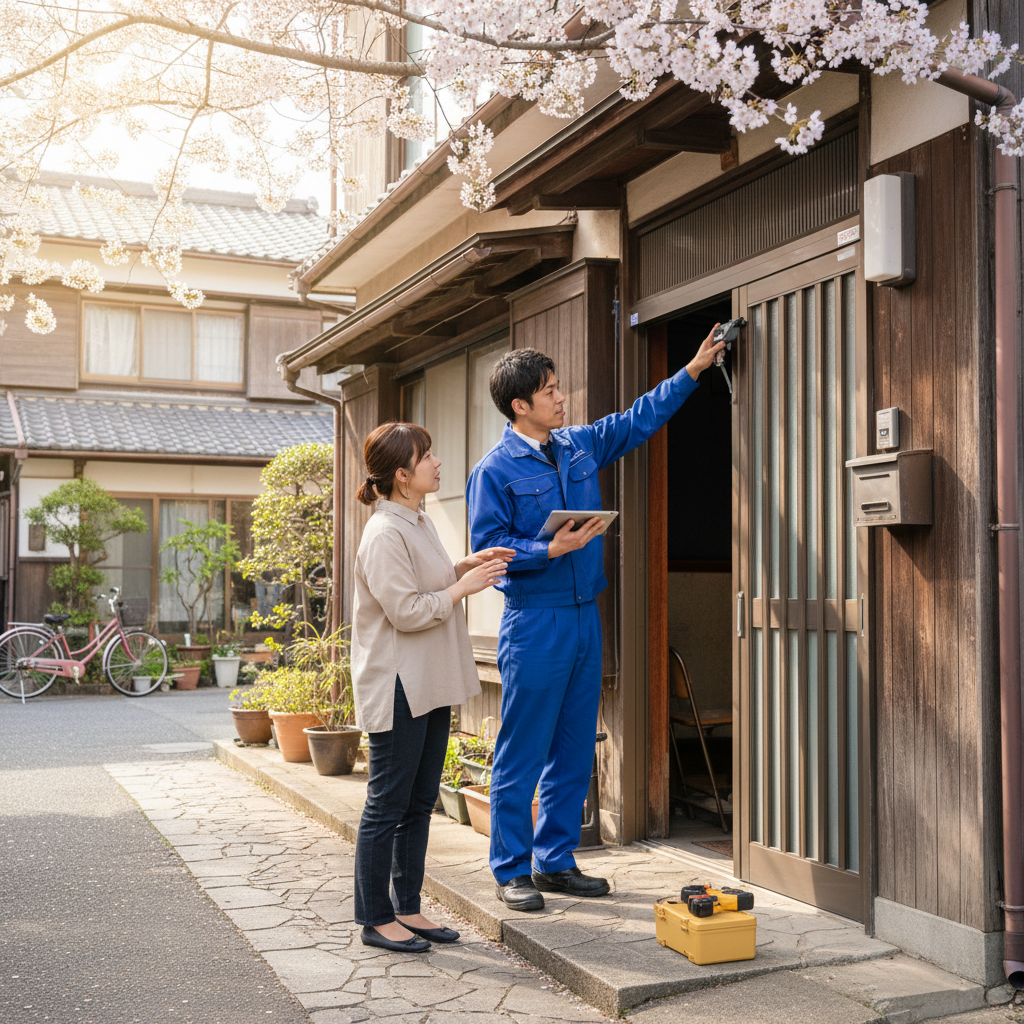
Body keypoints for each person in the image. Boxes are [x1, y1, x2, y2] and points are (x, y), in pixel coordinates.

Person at [466, 328, 726, 910]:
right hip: (534, 622)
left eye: (558, 388)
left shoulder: (580, 445)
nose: (562, 399)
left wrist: (693, 368)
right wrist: (548, 551)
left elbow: (638, 419)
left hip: (587, 618)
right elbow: (489, 551)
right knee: (523, 747)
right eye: (551, 391)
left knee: (576, 744)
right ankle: (511, 869)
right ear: (520, 406)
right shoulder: (494, 471)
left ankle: (554, 861)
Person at [351, 421, 514, 950]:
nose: (437, 463)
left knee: (419, 803)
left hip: (428, 682)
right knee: (387, 805)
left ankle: (409, 908)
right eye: (426, 457)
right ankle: (376, 918)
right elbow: (405, 611)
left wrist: (467, 566)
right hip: (399, 684)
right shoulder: (384, 532)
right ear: (402, 476)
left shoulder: (415, 521)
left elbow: (429, 583)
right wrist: (463, 588)